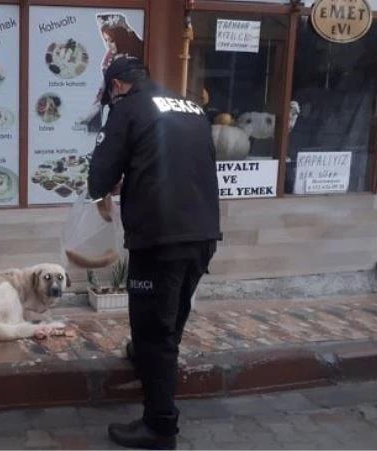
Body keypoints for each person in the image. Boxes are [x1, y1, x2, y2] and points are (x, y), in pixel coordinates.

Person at [87, 55, 221, 450]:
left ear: (116, 86)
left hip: (159, 238)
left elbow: (99, 178)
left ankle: (160, 426)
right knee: (170, 318)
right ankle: (148, 362)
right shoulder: (192, 107)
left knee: (153, 330)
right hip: (203, 235)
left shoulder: (127, 109)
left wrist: (114, 180)